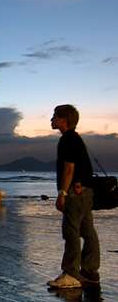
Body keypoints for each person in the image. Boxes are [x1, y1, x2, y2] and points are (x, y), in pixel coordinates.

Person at [48, 105, 100, 288]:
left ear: (64, 120)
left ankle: (71, 274)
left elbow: (69, 169)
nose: (52, 119)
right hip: (85, 191)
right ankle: (90, 271)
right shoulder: (75, 138)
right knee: (87, 231)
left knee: (71, 232)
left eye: (55, 116)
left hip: (76, 192)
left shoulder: (67, 139)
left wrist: (62, 193)